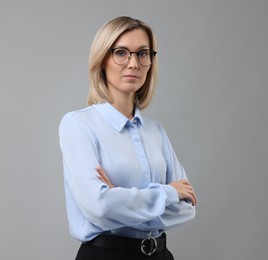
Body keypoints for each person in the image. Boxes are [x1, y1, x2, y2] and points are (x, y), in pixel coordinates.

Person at [59, 16, 197, 260]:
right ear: (102, 60)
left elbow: (186, 209)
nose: (133, 63)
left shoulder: (156, 131)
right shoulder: (78, 124)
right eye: (121, 53)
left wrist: (120, 198)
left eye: (143, 54)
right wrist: (167, 193)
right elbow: (99, 206)